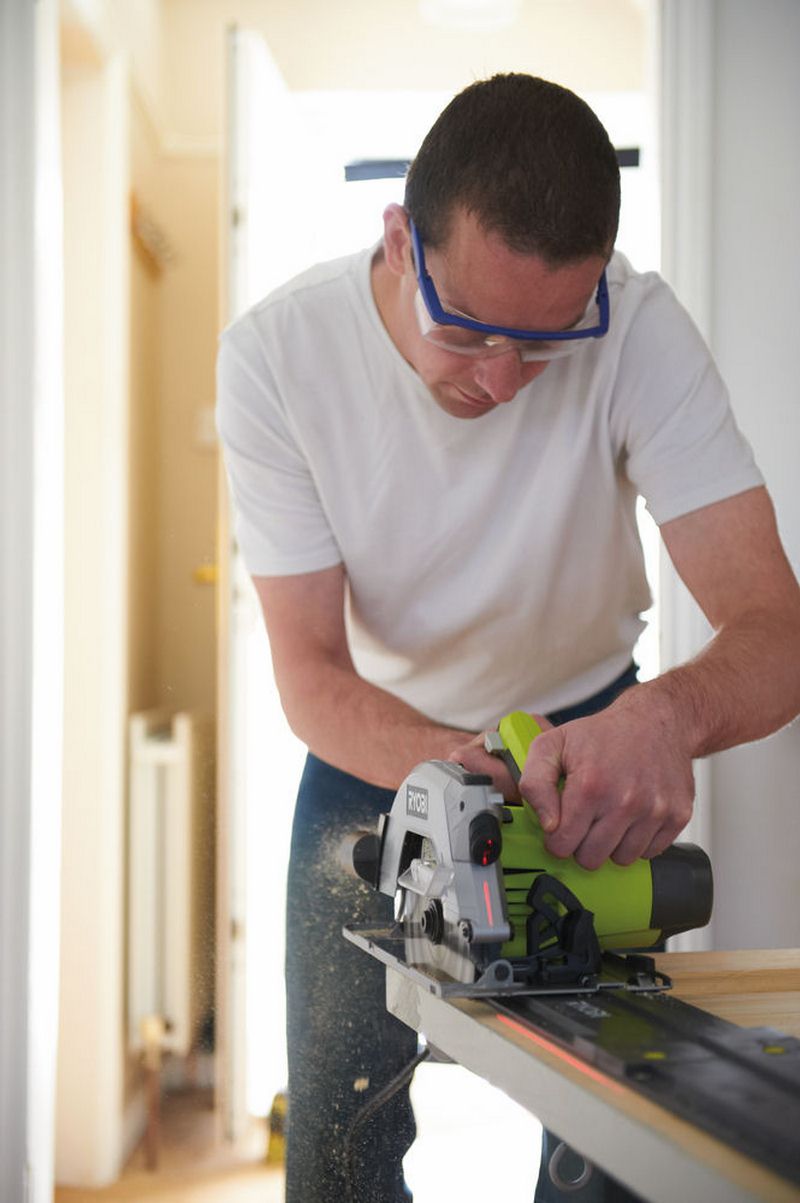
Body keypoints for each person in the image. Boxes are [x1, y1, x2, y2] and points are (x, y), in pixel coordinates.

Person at [216, 74, 800, 1203]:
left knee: (614, 1143)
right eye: (469, 330)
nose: (501, 381)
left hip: (592, 756)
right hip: (377, 751)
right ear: (400, 242)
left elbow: (778, 629)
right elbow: (309, 673)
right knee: (337, 1146)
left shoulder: (639, 330)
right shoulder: (277, 357)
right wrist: (450, 767)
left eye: (544, 343)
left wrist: (664, 716)